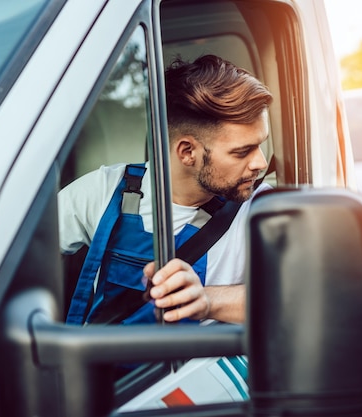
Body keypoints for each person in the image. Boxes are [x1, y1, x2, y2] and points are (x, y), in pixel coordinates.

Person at [58, 54, 273, 327]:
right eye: (242, 152)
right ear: (187, 152)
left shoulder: (261, 210)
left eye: (260, 145)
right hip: (100, 367)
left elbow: (299, 299)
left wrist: (207, 301)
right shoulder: (107, 190)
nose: (260, 163)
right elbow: (12, 254)